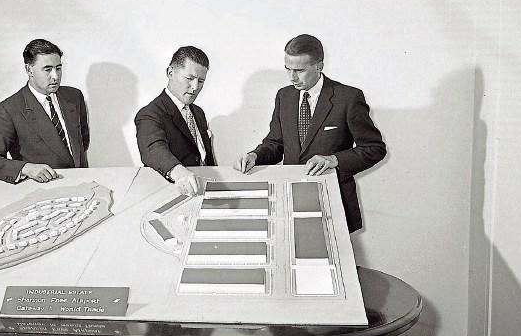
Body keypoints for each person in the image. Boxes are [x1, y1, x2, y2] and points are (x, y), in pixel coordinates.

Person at [235, 34, 385, 233]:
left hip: (332, 200)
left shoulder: (348, 97)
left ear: (319, 66)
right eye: (287, 69)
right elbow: (276, 143)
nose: (292, 77)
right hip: (290, 199)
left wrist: (334, 160)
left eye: (299, 70)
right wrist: (255, 155)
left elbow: (374, 149)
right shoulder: (284, 96)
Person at [0, 39, 89, 183]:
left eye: (58, 68)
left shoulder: (74, 96)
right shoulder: (8, 109)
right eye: (47, 69)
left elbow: (82, 142)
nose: (55, 76)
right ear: (29, 70)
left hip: (82, 183)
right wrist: (26, 168)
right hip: (42, 190)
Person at [135, 46, 216, 195]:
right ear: (170, 73)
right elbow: (153, 149)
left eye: (201, 81)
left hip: (202, 192)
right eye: (190, 78)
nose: (195, 87)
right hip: (172, 195)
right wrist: (178, 172)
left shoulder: (198, 112)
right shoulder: (149, 114)